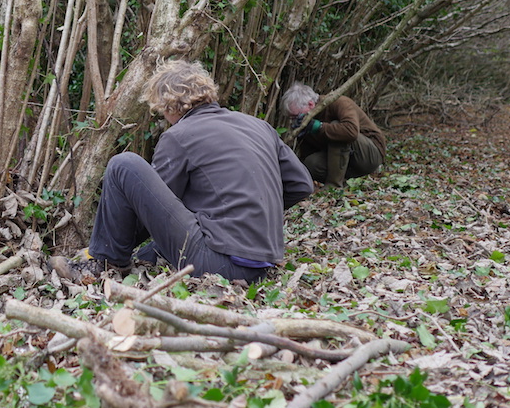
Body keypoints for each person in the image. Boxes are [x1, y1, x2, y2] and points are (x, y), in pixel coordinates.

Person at [50, 60, 314, 284]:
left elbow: (150, 212)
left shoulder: (179, 136)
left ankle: (103, 263)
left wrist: (104, 244)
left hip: (219, 265)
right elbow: (302, 184)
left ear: (168, 106)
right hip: (262, 267)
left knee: (124, 164)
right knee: (149, 252)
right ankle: (123, 256)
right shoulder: (258, 126)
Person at [280, 82, 385, 188]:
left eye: (296, 116)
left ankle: (333, 185)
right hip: (344, 162)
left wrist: (319, 127)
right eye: (292, 118)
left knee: (337, 127)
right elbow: (308, 155)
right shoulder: (305, 122)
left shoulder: (338, 102)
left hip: (369, 154)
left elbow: (351, 131)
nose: (295, 120)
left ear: (311, 104)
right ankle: (343, 183)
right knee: (311, 163)